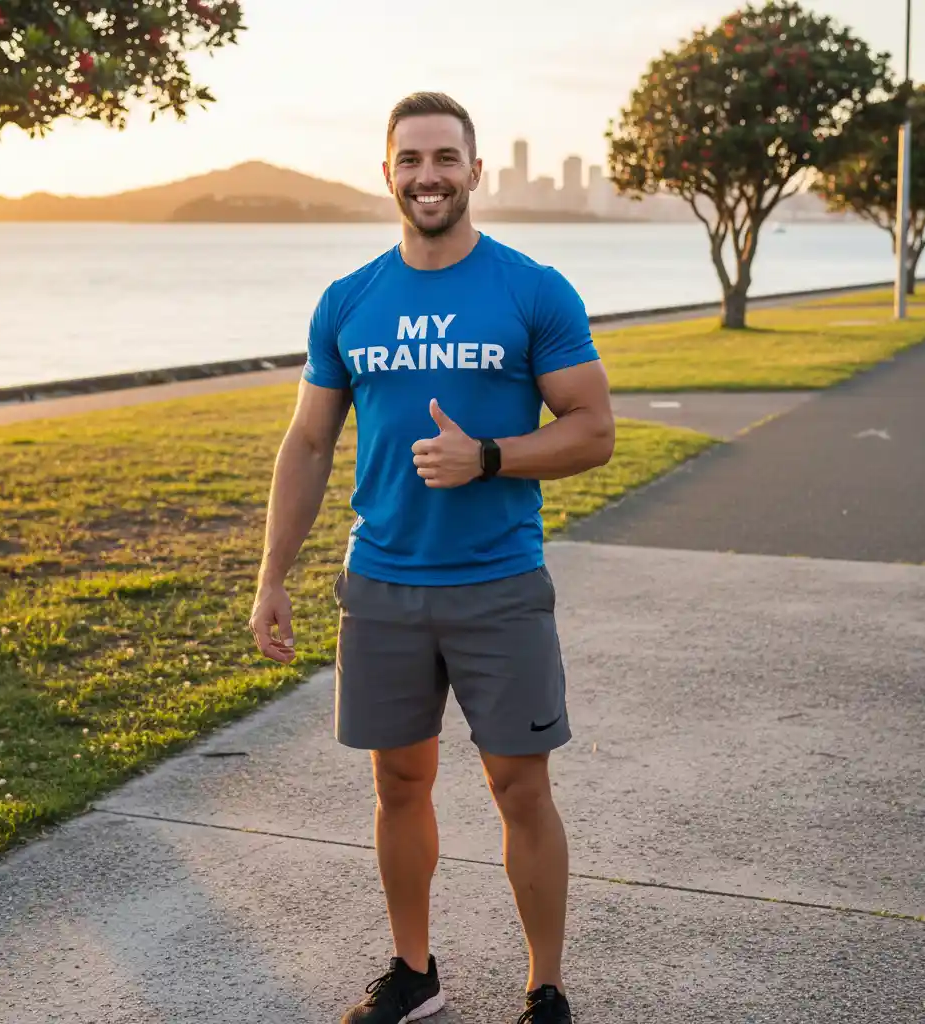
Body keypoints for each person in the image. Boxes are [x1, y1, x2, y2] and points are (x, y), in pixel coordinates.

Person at [250, 91, 615, 1024]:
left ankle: (545, 988)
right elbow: (308, 443)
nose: (428, 176)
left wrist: (487, 457)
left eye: (445, 158)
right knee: (399, 784)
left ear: (474, 171)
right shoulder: (349, 301)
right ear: (387, 173)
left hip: (499, 585)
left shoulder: (533, 289)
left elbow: (593, 431)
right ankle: (414, 973)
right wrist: (272, 576)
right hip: (383, 586)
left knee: (520, 788)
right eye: (410, 159)